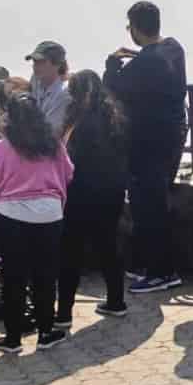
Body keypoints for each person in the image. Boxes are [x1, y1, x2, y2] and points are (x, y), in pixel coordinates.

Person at [104, 1, 188, 296]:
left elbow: (111, 87)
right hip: (172, 140)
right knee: (155, 204)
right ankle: (147, 264)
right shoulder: (174, 49)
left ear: (135, 28)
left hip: (146, 145)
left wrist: (112, 62)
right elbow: (155, 62)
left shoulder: (143, 65)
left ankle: (161, 272)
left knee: (148, 209)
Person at [0, 93, 73, 352]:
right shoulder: (53, 145)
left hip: (12, 216)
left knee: (14, 277)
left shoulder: (0, 149)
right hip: (50, 214)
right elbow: (69, 173)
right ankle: (45, 331)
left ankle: (12, 337)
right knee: (45, 275)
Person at [58, 70, 130, 325]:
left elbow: (70, 161)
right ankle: (116, 301)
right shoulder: (115, 116)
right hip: (111, 190)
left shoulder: (79, 122)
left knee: (71, 251)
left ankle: (64, 312)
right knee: (109, 245)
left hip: (81, 192)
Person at [21, 41, 71, 135]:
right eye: (35, 62)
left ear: (57, 64)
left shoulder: (64, 93)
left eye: (41, 62)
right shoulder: (36, 82)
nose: (35, 66)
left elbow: (49, 131)